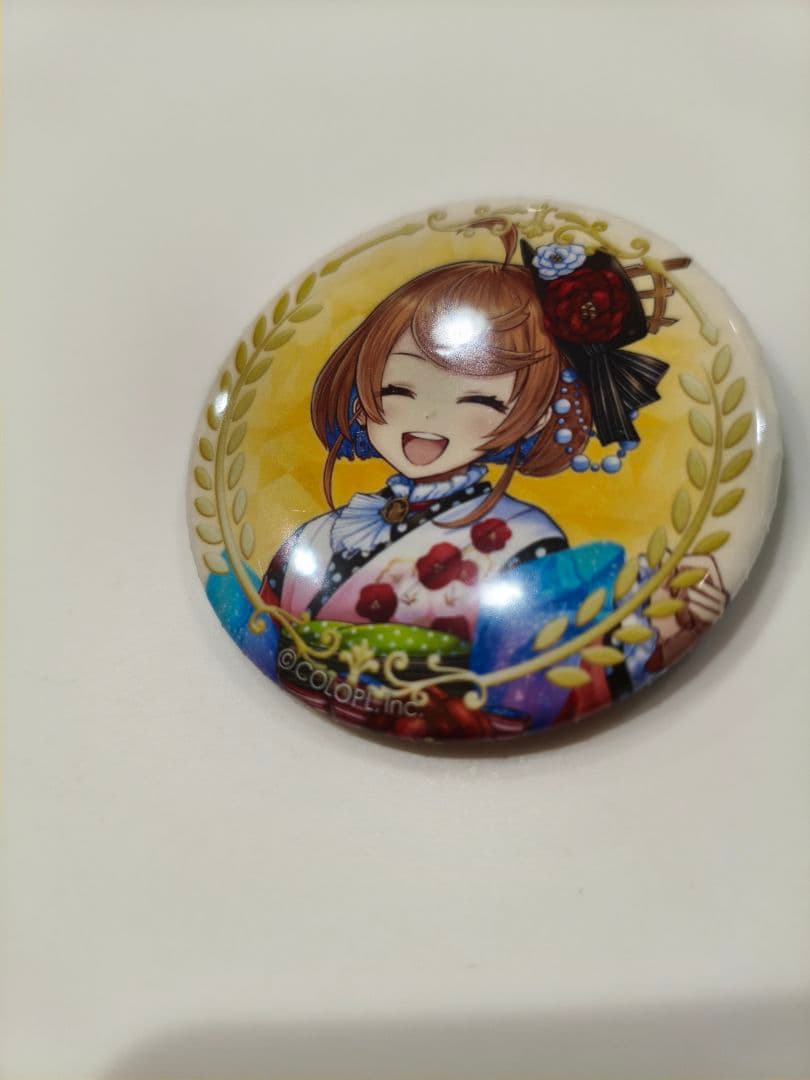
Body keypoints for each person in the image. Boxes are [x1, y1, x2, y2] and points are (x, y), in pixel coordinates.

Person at [258, 245, 726, 737]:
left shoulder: (525, 541)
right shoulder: (314, 536)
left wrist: (664, 636)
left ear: (535, 415)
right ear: (361, 390)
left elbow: (546, 688)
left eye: (479, 400)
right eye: (397, 390)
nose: (429, 417)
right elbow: (262, 627)